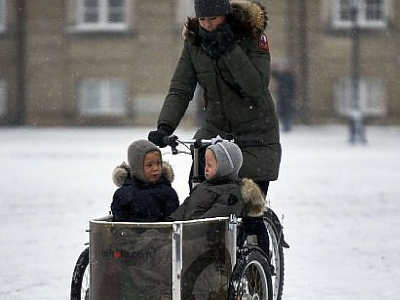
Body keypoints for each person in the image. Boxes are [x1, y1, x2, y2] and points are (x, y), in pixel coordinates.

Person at [148, 0, 281, 196]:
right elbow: (181, 89)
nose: (207, 24)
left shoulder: (252, 36)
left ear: (225, 15)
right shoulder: (194, 43)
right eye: (202, 19)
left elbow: (256, 86)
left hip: (256, 134)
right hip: (216, 131)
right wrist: (165, 126)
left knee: (249, 208)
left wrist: (230, 50)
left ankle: (256, 226)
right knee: (200, 200)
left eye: (213, 18)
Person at [110, 139, 179, 222]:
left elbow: (172, 219)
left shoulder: (167, 192)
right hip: (130, 234)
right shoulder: (123, 193)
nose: (156, 168)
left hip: (160, 234)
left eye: (158, 163)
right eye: (149, 165)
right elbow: (119, 223)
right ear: (137, 167)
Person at [272, 61, 296, 132]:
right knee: (282, 111)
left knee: (287, 112)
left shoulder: (289, 76)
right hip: (282, 97)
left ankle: (287, 126)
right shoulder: (283, 75)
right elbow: (274, 75)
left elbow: (291, 86)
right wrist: (275, 67)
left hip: (287, 97)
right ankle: (286, 126)